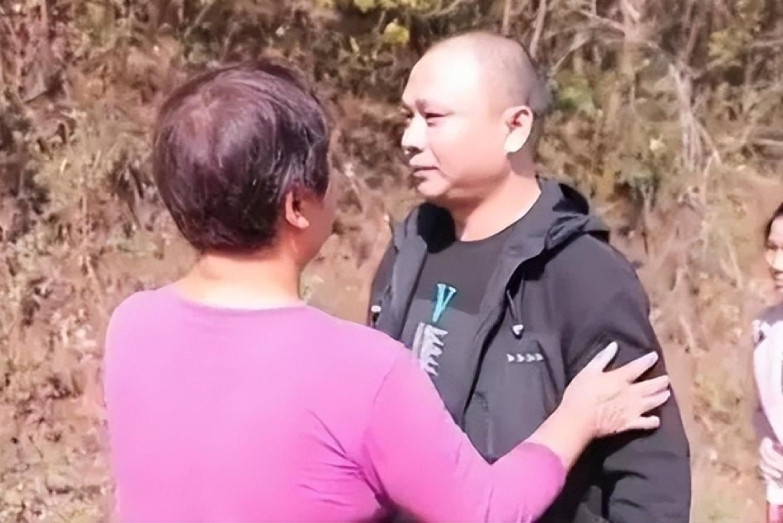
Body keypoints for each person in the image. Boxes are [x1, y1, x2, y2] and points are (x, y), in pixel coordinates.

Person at [101, 60, 671, 522]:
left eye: (433, 116)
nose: (409, 139)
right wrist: (576, 420)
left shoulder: (132, 326)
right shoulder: (360, 370)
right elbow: (486, 510)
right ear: (297, 204)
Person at [369, 31, 691, 522]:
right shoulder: (408, 250)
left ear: (515, 127)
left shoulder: (582, 274)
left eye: (432, 118)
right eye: (406, 118)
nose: (409, 139)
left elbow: (650, 478)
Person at [753, 202, 783, 523]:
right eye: (772, 248)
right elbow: (763, 412)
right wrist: (766, 443)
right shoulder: (765, 328)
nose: (776, 264)